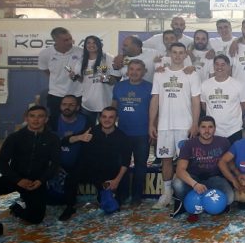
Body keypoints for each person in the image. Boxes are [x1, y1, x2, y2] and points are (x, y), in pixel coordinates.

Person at [0, 106, 60, 242]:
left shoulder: (53, 139)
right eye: (32, 116)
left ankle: (16, 208)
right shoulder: (15, 137)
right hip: (15, 178)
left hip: (36, 182)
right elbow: (1, 163)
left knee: (36, 218)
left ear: (46, 119)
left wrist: (41, 181)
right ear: (26, 118)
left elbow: (55, 164)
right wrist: (18, 180)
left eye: (40, 116)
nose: (36, 119)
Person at [149, 42, 202, 210]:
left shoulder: (191, 74)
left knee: (185, 161)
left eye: (181, 52)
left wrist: (195, 123)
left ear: (185, 55)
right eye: (175, 52)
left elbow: (196, 101)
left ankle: (185, 194)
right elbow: (155, 99)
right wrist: (151, 123)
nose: (178, 55)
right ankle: (166, 194)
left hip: (184, 125)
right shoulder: (160, 74)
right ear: (169, 54)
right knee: (166, 160)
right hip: (164, 125)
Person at [58, 107, 130, 221]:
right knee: (71, 179)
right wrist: (80, 137)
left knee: (111, 207)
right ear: (100, 118)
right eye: (104, 117)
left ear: (116, 119)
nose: (107, 120)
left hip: (106, 173)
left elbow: (126, 161)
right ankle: (69, 207)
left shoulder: (122, 137)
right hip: (87, 169)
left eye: (111, 117)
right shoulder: (91, 131)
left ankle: (104, 196)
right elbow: (65, 141)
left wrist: (116, 180)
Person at [172, 116, 235, 222]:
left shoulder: (223, 142)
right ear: (198, 128)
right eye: (203, 127)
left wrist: (236, 178)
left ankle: (206, 205)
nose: (207, 130)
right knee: (177, 183)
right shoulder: (189, 144)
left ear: (215, 128)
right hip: (194, 179)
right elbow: (180, 170)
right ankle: (189, 206)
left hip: (214, 178)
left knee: (229, 198)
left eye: (210, 127)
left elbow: (230, 164)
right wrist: (194, 184)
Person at [111, 59, 152, 206]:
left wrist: (153, 129)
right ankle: (122, 194)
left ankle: (136, 196)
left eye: (138, 69)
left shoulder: (150, 87)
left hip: (142, 133)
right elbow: (113, 108)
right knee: (122, 164)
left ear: (144, 72)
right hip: (122, 133)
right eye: (132, 69)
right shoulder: (118, 86)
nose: (134, 72)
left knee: (141, 165)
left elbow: (154, 110)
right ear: (127, 71)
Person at [38, 27, 83, 130]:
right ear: (56, 41)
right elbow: (46, 71)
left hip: (78, 94)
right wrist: (58, 80)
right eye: (65, 40)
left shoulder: (81, 52)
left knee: (79, 123)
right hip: (56, 95)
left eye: (70, 38)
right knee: (54, 124)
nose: (70, 42)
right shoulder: (45, 54)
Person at [200, 54, 245, 144]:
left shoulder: (239, 84)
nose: (219, 67)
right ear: (213, 66)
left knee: (234, 153)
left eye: (223, 65)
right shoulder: (205, 85)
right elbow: (204, 106)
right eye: (217, 64)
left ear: (229, 67)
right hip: (213, 132)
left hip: (234, 130)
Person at [73, 35, 116, 124]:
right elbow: (82, 80)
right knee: (88, 129)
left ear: (99, 44)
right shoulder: (81, 61)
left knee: (105, 128)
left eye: (94, 42)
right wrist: (74, 76)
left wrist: (105, 78)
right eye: (88, 43)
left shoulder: (107, 58)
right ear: (85, 45)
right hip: (88, 103)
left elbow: (114, 80)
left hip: (105, 102)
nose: (91, 45)